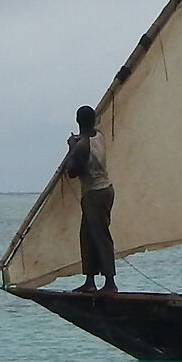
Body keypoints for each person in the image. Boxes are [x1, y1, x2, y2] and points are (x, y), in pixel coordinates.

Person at [66, 104, 116, 292]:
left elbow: (72, 172)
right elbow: (89, 134)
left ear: (77, 121)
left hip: (95, 194)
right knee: (87, 236)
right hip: (105, 190)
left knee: (100, 236)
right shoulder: (99, 137)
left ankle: (110, 282)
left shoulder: (81, 146)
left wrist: (72, 146)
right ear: (94, 121)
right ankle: (90, 282)